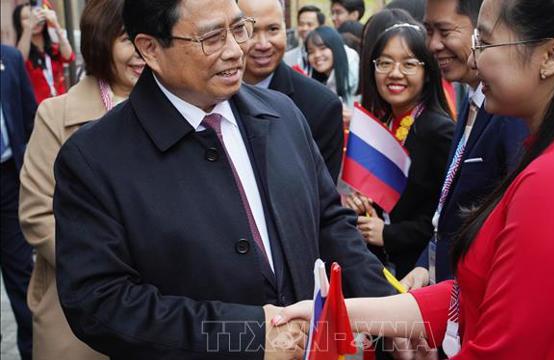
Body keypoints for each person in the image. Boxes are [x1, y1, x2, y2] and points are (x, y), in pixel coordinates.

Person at [278, 0, 554, 358]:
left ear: (552, 55)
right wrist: (335, 314)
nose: (472, 59)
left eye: (483, 42)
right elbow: (473, 297)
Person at [52, 0, 394, 358]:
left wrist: (395, 312)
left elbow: (329, 224)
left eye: (238, 28)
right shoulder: (95, 158)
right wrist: (246, 334)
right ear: (150, 48)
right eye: (212, 38)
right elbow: (100, 304)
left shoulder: (282, 116)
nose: (235, 51)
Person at [18, 0, 144, 358]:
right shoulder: (57, 115)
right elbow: (37, 216)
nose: (140, 53)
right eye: (127, 40)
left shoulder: (182, 110)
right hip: (77, 308)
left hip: (162, 310)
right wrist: (117, 266)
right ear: (101, 41)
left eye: (148, 39)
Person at [400, 0, 528, 289]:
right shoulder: (469, 101)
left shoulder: (511, 116)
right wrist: (424, 267)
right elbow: (447, 215)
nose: (433, 45)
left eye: (444, 32)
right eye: (428, 31)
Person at [343, 21, 454, 279]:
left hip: (418, 275)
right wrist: (364, 204)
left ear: (427, 72)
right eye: (384, 63)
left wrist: (387, 234)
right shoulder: (385, 123)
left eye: (409, 64)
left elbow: (446, 219)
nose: (395, 73)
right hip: (380, 267)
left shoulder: (439, 132)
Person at [237, 0, 344, 183]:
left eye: (273, 29)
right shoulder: (210, 97)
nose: (263, 44)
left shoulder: (321, 106)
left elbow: (321, 199)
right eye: (250, 31)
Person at [1, 43, 36, 360]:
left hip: (9, 181)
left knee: (20, 274)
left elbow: (28, 118)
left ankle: (31, 350)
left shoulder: (9, 59)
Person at [12, 3, 74, 104]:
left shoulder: (53, 48)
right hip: (37, 111)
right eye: (26, 18)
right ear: (18, 23)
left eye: (37, 15)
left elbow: (68, 56)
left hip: (62, 106)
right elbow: (20, 59)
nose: (34, 20)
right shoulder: (19, 52)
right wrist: (29, 27)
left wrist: (55, 24)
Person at [306, 26, 359, 109]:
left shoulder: (355, 77)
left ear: (336, 48)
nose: (317, 55)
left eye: (323, 48)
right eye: (311, 52)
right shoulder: (322, 80)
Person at [283, 5, 325, 74]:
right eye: (301, 24)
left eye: (310, 24)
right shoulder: (287, 58)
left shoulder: (328, 56)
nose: (304, 28)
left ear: (321, 27)